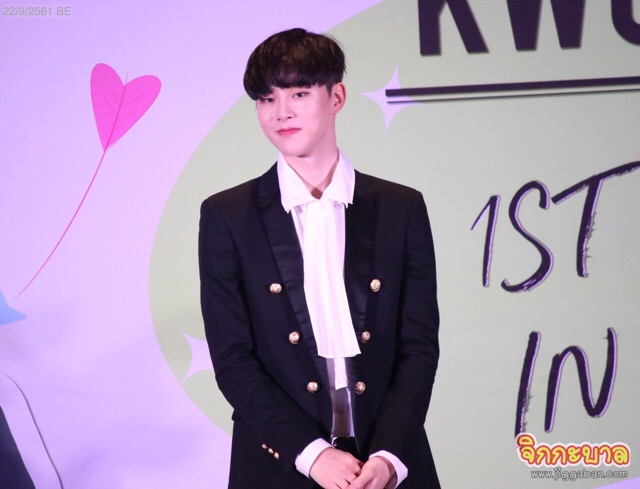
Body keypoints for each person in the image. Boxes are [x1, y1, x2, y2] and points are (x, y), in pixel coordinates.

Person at [199, 27, 440, 489]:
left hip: (387, 461)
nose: (281, 112)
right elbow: (232, 359)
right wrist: (312, 455)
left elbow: (419, 346)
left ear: (337, 97)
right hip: (279, 463)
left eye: (299, 93)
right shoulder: (227, 215)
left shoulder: (401, 208)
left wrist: (390, 454)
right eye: (266, 98)